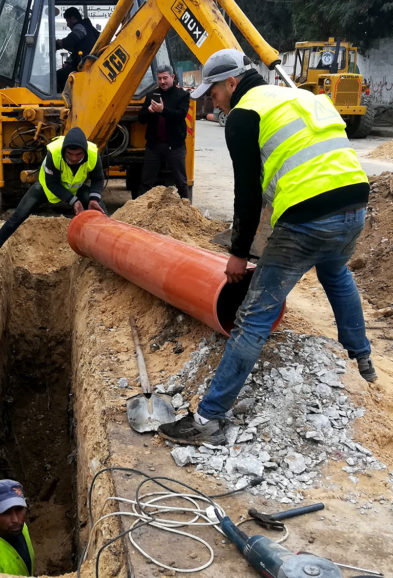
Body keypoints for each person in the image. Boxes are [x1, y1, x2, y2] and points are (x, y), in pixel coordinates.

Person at [158, 49, 377, 445]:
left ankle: (208, 419)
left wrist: (238, 253)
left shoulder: (245, 114)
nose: (212, 100)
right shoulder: (301, 97)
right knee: (335, 270)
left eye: (215, 92)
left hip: (308, 218)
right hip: (356, 205)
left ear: (232, 83)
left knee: (254, 317)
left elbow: (247, 192)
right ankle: (361, 353)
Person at [0, 127, 105, 255]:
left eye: (78, 154)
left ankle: (104, 247)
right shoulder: (54, 153)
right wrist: (73, 201)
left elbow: (98, 179)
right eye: (70, 154)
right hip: (45, 188)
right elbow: (52, 183)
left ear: (85, 152)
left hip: (75, 188)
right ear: (64, 150)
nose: (74, 158)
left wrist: (94, 198)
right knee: (19, 215)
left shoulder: (93, 154)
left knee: (99, 209)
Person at [135, 66, 191, 200]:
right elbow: (141, 119)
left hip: (175, 146)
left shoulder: (182, 95)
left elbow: (180, 115)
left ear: (172, 77)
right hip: (154, 146)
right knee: (146, 182)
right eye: (159, 78)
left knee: (181, 182)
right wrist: (149, 111)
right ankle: (140, 211)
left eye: (165, 78)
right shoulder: (151, 95)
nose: (162, 81)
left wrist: (162, 110)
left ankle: (187, 211)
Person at [55, 7, 99, 92]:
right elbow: (80, 48)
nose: (68, 25)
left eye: (68, 21)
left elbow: (70, 41)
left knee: (57, 76)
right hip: (89, 65)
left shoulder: (80, 27)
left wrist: (59, 43)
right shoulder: (90, 29)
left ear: (73, 18)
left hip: (84, 68)